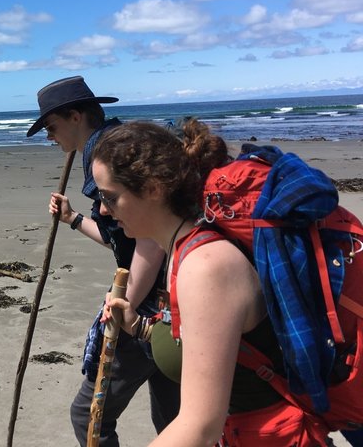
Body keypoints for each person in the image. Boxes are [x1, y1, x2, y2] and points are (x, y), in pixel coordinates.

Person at [96, 119, 331, 446]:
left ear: (152, 189)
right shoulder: (179, 249)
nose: (104, 212)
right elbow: (205, 343)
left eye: (109, 198)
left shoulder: (206, 267)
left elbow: (200, 426)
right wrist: (139, 326)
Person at [26, 76, 180, 447]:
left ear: (76, 116)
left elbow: (150, 239)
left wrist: (125, 305)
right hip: (174, 302)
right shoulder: (113, 143)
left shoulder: (107, 154)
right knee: (175, 420)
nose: (50, 137)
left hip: (147, 306)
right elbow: (124, 237)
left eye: (52, 127)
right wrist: (75, 219)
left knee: (88, 416)